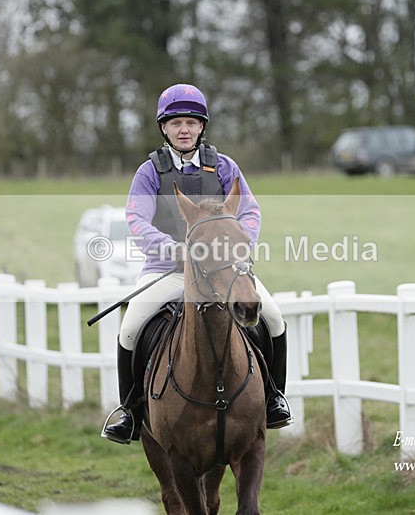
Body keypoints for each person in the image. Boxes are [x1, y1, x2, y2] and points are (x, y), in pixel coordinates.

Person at [101, 84, 292, 444]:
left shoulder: (224, 167)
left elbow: (249, 212)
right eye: (176, 123)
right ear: (164, 128)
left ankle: (272, 400)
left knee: (274, 318)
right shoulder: (149, 172)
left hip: (224, 270)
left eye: (190, 122)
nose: (184, 129)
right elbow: (137, 219)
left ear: (202, 126)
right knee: (131, 328)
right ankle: (129, 411)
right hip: (168, 271)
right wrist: (173, 249)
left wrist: (238, 248)